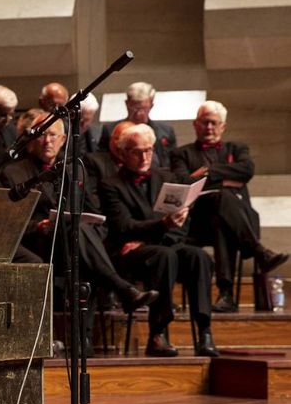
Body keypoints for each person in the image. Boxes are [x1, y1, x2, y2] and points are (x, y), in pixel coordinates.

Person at [0, 110, 159, 354]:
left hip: (75, 244)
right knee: (81, 242)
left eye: (53, 135)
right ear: (31, 140)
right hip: (39, 244)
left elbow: (94, 211)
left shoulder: (75, 170)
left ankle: (82, 339)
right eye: (41, 135)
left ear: (64, 140)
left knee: (81, 242)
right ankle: (118, 292)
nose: (47, 140)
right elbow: (10, 222)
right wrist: (39, 226)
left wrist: (95, 227)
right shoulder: (14, 173)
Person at [99, 124, 218, 357]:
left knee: (198, 256)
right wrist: (162, 224)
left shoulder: (167, 177)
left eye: (148, 150)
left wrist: (155, 234)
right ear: (123, 154)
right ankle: (157, 333)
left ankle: (205, 331)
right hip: (128, 255)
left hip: (158, 247)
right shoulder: (110, 185)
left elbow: (181, 229)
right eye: (137, 151)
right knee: (165, 255)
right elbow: (123, 226)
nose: (144, 157)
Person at [170, 101, 288, 312]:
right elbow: (183, 182)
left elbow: (246, 170)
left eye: (214, 123)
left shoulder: (237, 148)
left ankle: (227, 295)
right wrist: (225, 178)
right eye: (205, 123)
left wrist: (206, 173)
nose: (209, 128)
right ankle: (258, 253)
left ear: (223, 126)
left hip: (231, 221)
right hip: (198, 221)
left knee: (222, 218)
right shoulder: (181, 154)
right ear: (195, 125)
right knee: (222, 203)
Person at [97, 81, 176, 167]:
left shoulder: (166, 131)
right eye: (134, 108)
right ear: (126, 104)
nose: (138, 114)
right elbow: (101, 164)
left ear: (151, 106)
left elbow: (172, 163)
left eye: (143, 108)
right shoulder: (111, 131)